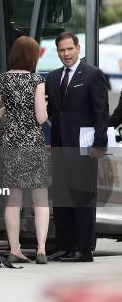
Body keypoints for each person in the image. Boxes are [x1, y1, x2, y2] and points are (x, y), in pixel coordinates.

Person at [45, 32, 109, 263]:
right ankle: (64, 246)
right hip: (61, 145)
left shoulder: (93, 75)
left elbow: (101, 112)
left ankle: (83, 249)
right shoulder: (52, 78)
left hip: (84, 147)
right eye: (62, 50)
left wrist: (99, 144)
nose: (66, 54)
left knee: (82, 198)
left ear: (78, 48)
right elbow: (52, 111)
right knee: (62, 198)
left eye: (69, 49)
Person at [0, 36, 49, 264]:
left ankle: (15, 248)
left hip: (11, 141)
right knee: (40, 197)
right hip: (32, 141)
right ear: (32, 57)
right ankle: (41, 249)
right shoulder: (37, 80)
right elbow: (41, 118)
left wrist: (5, 111)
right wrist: (46, 108)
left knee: (14, 199)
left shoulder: (1, 81)